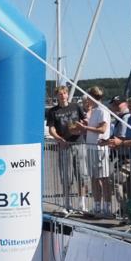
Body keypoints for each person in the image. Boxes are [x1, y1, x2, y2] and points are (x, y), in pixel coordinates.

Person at [46, 86, 88, 215]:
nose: (63, 96)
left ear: (67, 94)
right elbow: (51, 128)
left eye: (64, 93)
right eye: (60, 94)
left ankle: (82, 204)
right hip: (64, 145)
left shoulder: (76, 106)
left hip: (79, 143)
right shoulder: (53, 111)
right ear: (57, 96)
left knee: (82, 175)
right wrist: (58, 138)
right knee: (66, 176)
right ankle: (67, 204)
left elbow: (85, 121)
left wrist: (83, 126)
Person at [80, 87, 112, 217]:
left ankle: (107, 208)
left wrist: (86, 127)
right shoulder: (95, 111)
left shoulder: (102, 110)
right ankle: (97, 206)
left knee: (104, 179)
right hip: (92, 148)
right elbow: (96, 128)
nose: (87, 99)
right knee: (94, 178)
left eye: (88, 96)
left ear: (91, 96)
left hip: (100, 149)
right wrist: (86, 126)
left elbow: (103, 129)